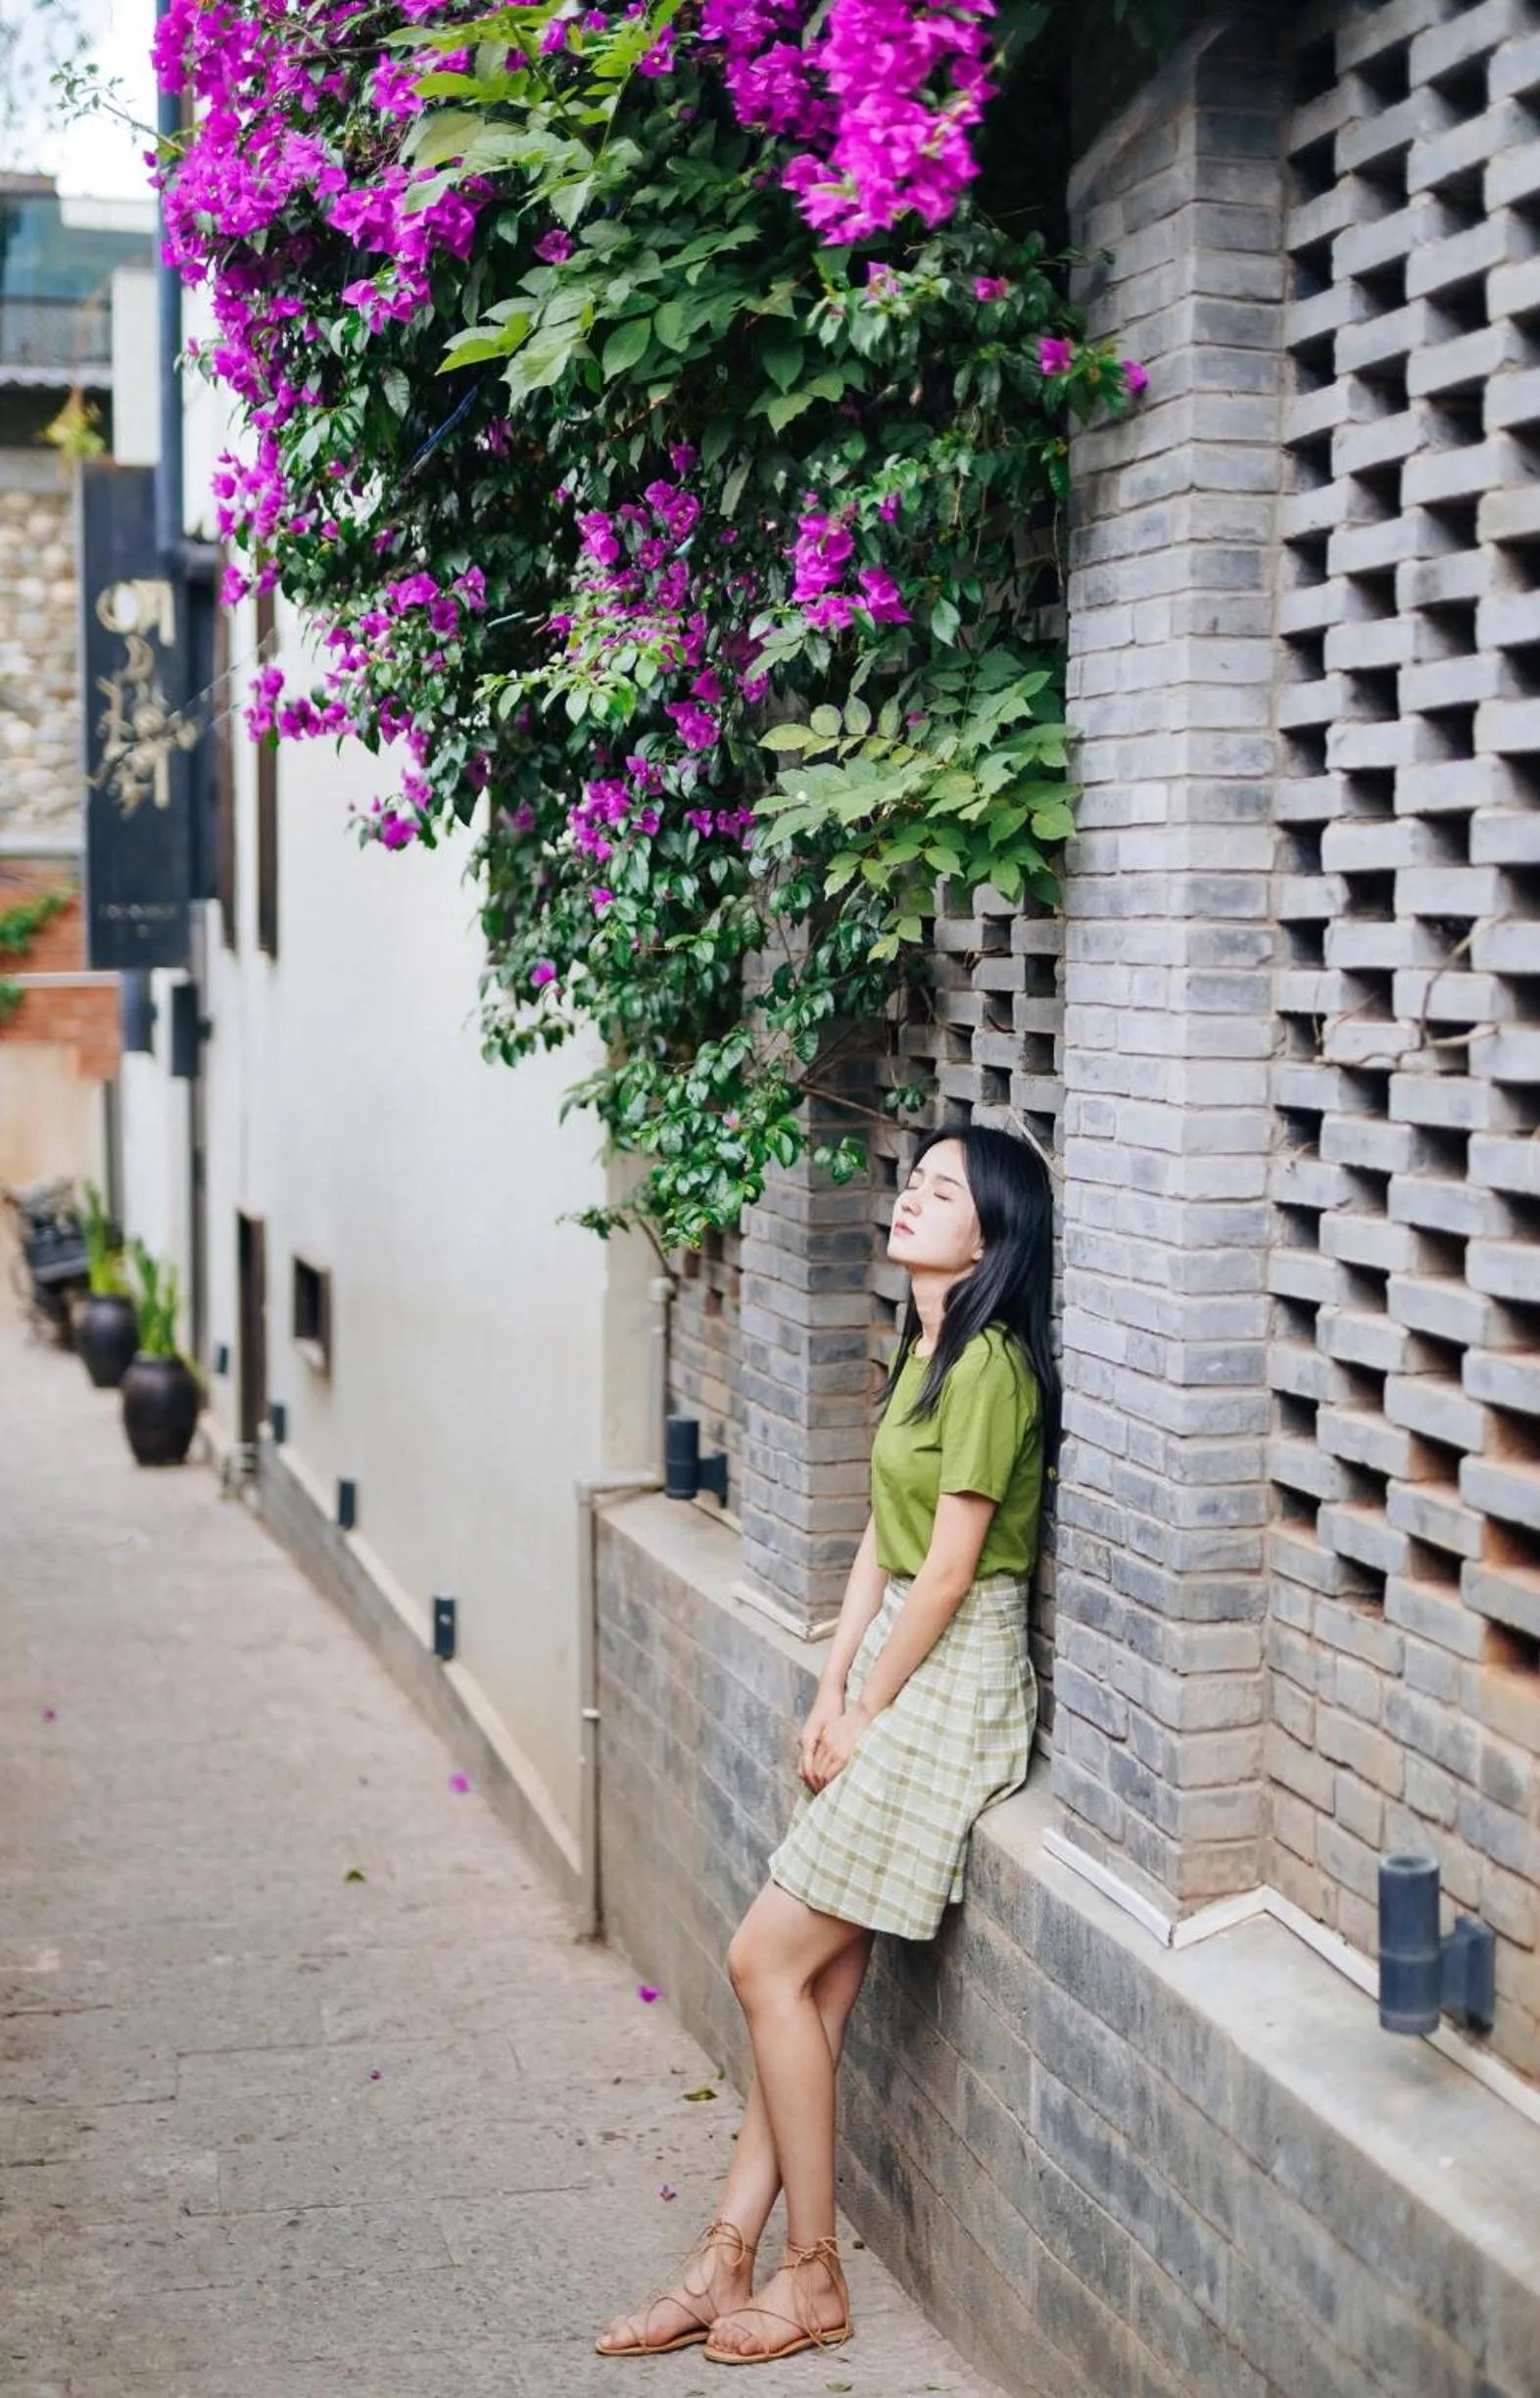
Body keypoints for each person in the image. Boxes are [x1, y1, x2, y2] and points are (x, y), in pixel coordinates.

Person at [597, 1123, 1058, 2367]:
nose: (910, 1198)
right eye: (912, 1181)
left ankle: (811, 2277)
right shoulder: (926, 1348)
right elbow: (879, 1536)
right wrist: (831, 1682)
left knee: (762, 1963)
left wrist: (870, 1707)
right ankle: (724, 2261)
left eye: (941, 1190)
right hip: (896, 1661)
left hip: (952, 1680)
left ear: (994, 1233)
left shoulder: (994, 1367)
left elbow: (953, 1568)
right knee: (813, 1989)